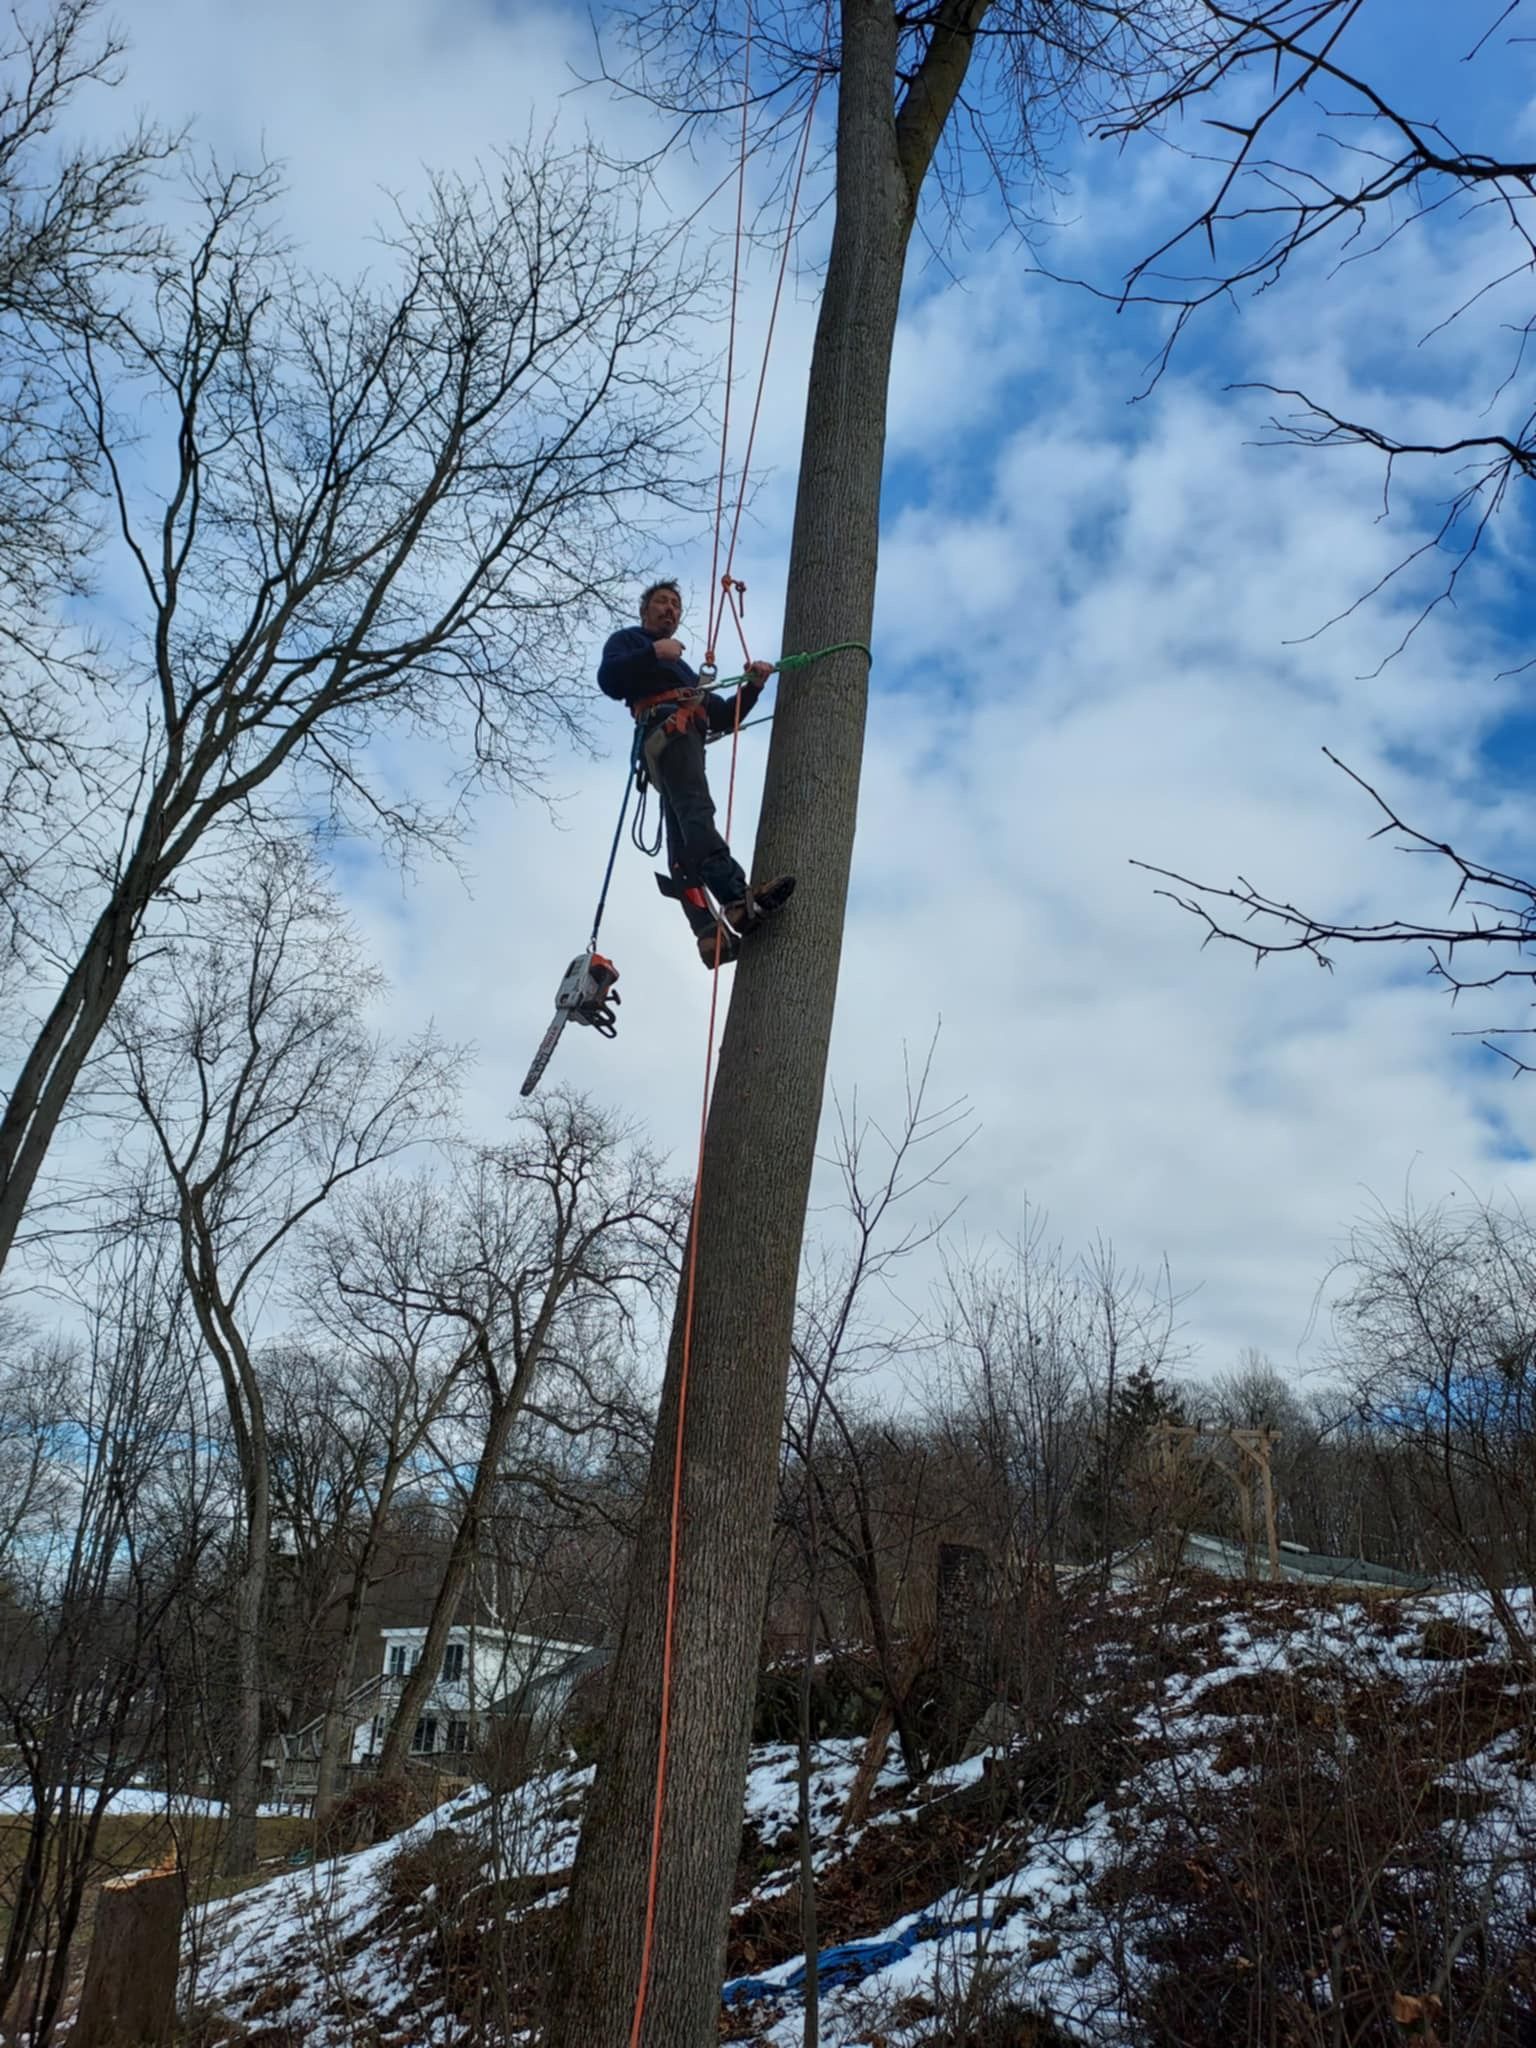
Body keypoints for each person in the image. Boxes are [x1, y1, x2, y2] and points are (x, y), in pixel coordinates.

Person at [599, 579, 794, 969]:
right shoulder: (630, 642)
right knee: (695, 813)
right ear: (645, 610)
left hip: (680, 737)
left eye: (674, 604)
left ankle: (709, 933)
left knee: (683, 843)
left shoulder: (683, 669)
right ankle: (737, 899)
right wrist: (654, 652)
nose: (669, 609)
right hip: (668, 731)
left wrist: (753, 687)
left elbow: (723, 715)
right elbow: (610, 680)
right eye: (661, 602)